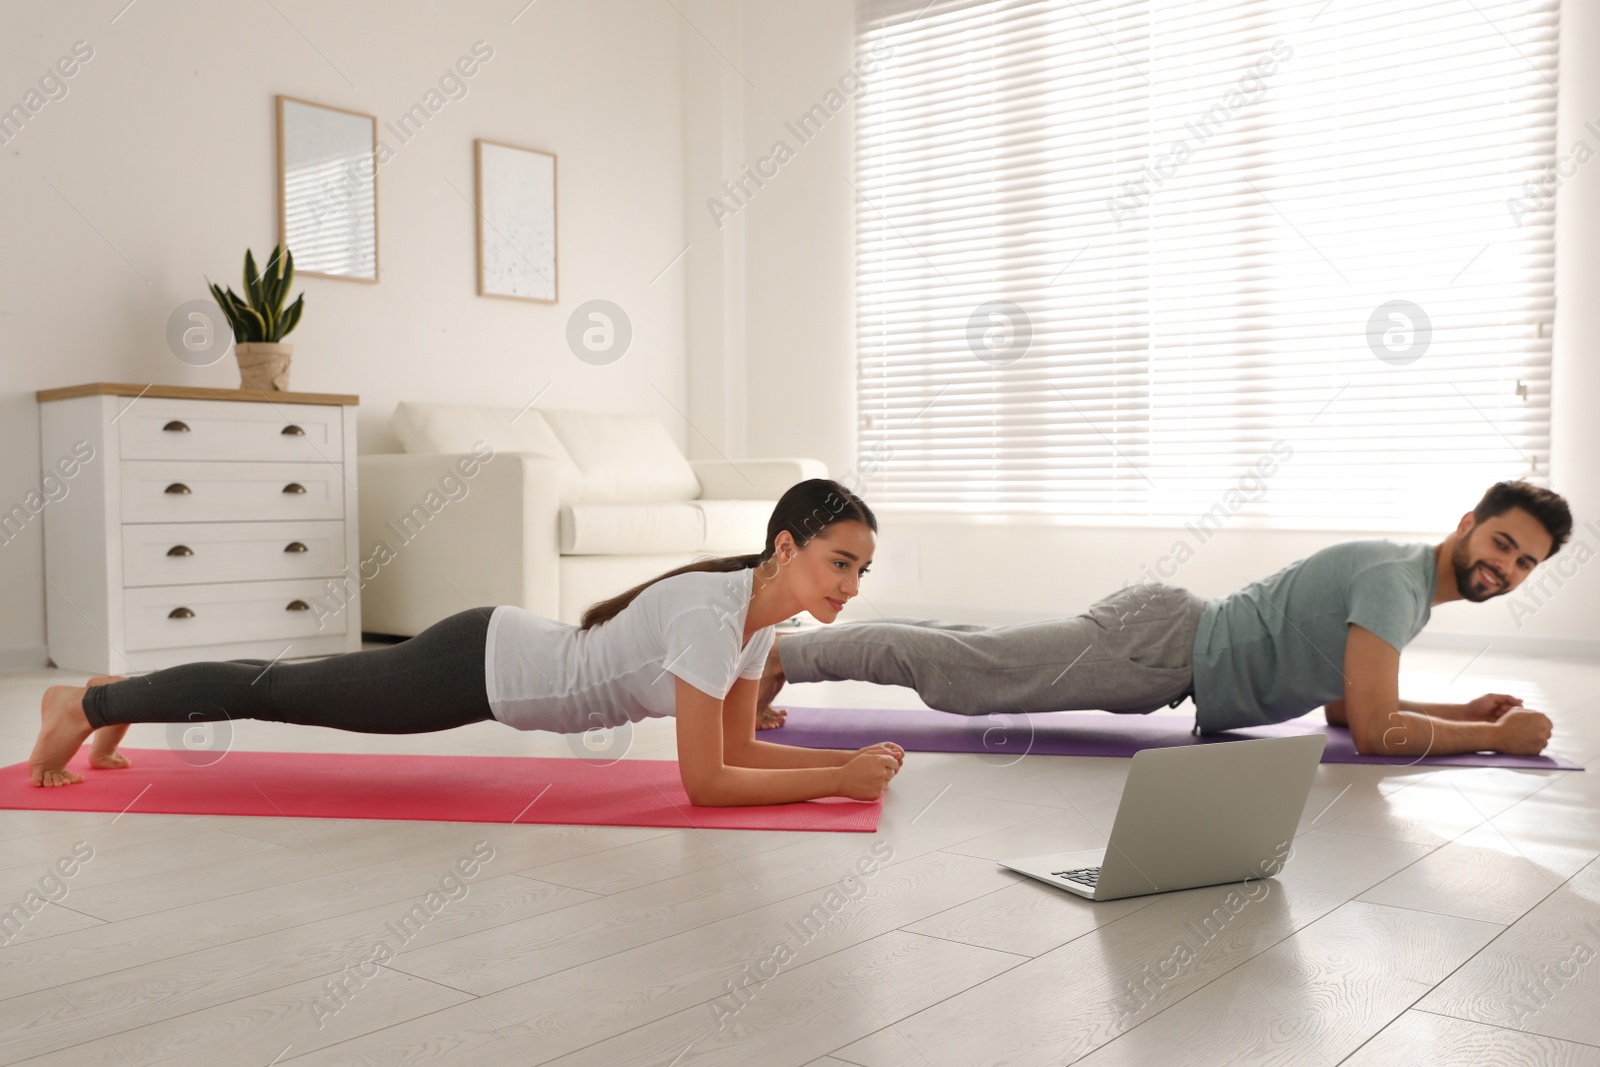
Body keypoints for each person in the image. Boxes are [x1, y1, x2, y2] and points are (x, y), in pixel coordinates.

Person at [28, 479, 906, 803]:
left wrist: (851, 759)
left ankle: (116, 694)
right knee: (280, 690)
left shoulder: (752, 622)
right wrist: (836, 779)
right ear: (784, 547)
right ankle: (88, 701)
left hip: (491, 651)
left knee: (284, 683)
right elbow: (705, 783)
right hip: (475, 666)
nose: (850, 585)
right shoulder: (712, 617)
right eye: (840, 562)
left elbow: (739, 747)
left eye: (861, 571)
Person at [757, 481, 1573, 759]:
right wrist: (1495, 738)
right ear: (1468, 522)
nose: (1504, 568)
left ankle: (793, 654)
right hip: (1166, 650)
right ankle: (785, 657)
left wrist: (1460, 713)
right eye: (1502, 542)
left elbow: (1342, 703)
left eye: (1524, 563)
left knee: (977, 652)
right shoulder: (1399, 586)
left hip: (1167, 640)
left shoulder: (1403, 581)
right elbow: (1373, 729)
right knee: (971, 676)